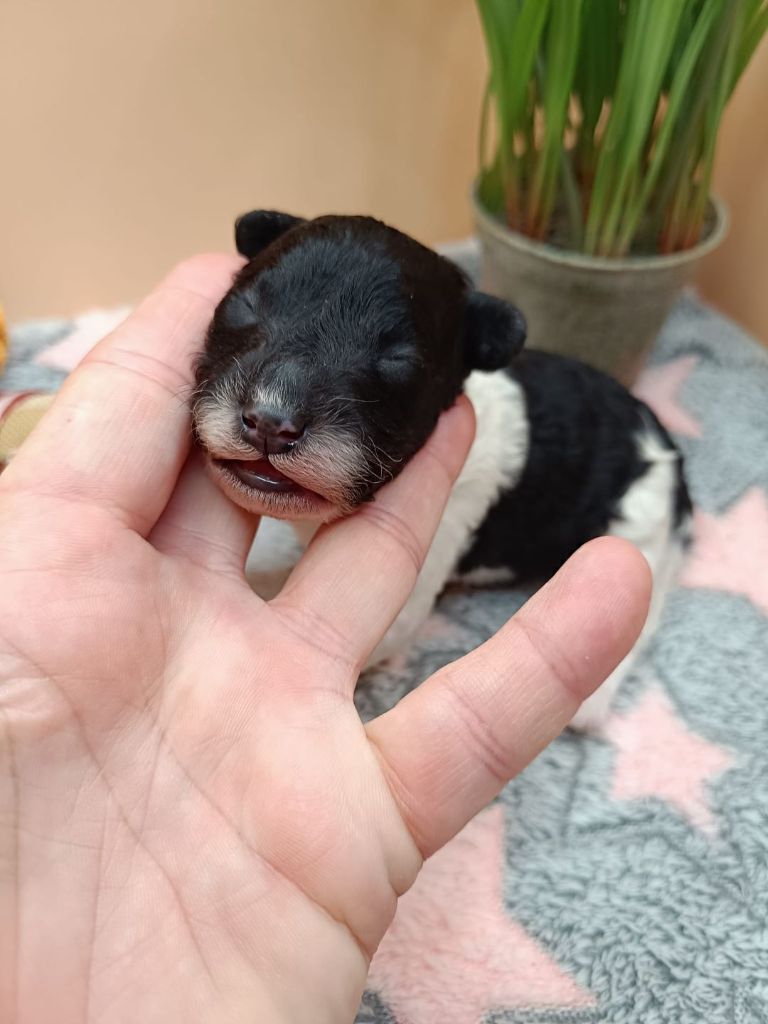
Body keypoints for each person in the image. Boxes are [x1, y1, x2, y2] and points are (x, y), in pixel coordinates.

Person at [0, 255, 650, 1024]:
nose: (272, 411)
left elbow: (391, 624)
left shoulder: (469, 461)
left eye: (394, 362)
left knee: (609, 627)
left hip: (633, 483)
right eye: (249, 315)